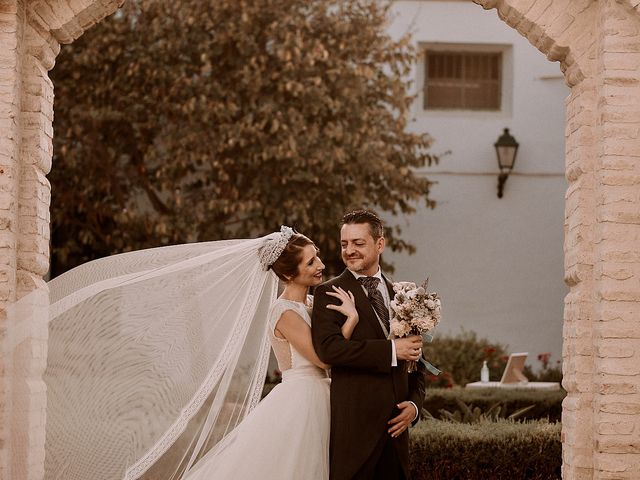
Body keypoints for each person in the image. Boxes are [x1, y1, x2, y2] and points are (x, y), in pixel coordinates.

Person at [182, 227, 357, 480]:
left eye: (316, 256)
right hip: (302, 399)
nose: (320, 264)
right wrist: (350, 319)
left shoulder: (310, 304)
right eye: (310, 262)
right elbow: (324, 358)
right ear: (288, 273)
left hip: (323, 392)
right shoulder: (284, 312)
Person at [312, 210, 427, 480]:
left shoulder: (403, 295)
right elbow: (330, 349)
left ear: (380, 244)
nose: (349, 250)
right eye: (344, 244)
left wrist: (414, 405)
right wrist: (390, 350)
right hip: (355, 433)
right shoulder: (327, 292)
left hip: (396, 436)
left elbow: (416, 359)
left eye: (358, 243)